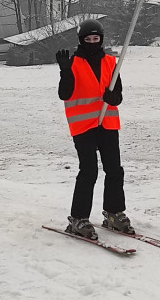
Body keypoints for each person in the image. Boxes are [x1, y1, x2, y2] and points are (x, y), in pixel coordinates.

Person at [56, 18, 134, 241]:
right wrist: (64, 71)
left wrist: (113, 97)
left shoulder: (111, 63)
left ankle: (113, 213)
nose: (92, 42)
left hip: (107, 124)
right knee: (89, 171)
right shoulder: (72, 64)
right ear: (81, 40)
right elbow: (65, 94)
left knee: (114, 169)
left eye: (96, 39)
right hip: (83, 125)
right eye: (88, 39)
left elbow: (117, 94)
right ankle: (78, 218)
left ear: (101, 40)